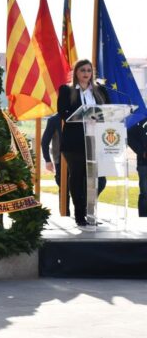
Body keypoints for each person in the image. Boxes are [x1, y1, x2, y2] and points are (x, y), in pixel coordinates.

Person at [58, 59, 110, 226]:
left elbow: (108, 110)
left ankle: (90, 210)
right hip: (74, 143)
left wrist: (100, 117)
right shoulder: (67, 90)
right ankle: (79, 214)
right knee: (77, 177)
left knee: (99, 180)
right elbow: (63, 113)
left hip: (97, 141)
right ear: (76, 73)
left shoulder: (100, 90)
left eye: (88, 70)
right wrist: (86, 116)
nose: (86, 73)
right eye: (82, 70)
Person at [41, 113, 69, 216]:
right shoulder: (54, 120)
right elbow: (44, 142)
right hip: (61, 160)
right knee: (64, 189)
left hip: (78, 159)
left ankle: (82, 215)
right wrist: (47, 160)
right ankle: (65, 214)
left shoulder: (77, 117)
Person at [127, 117, 147, 217]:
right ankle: (143, 219)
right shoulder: (141, 119)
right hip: (144, 164)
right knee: (144, 193)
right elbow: (129, 137)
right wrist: (142, 152)